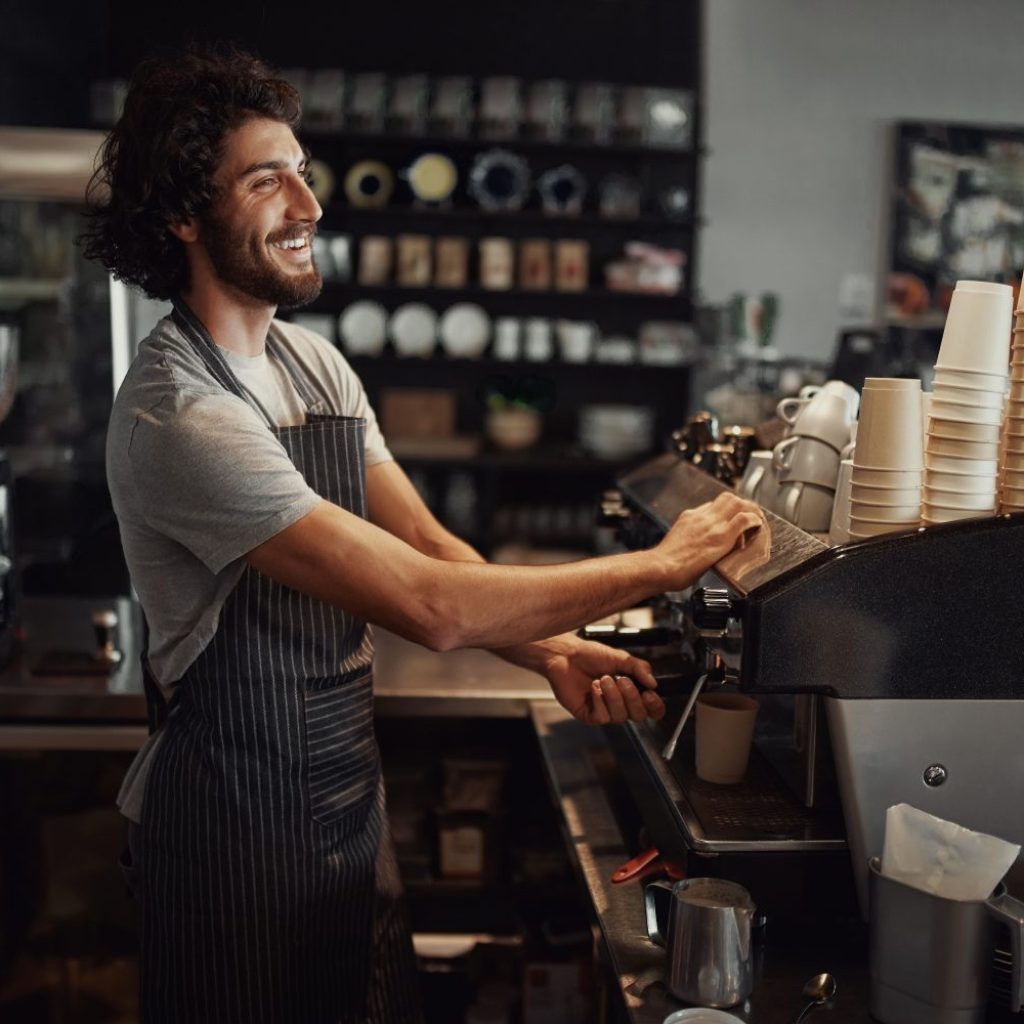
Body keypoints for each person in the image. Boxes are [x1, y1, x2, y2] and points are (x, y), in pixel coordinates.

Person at [84, 43, 764, 1024]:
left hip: (345, 808)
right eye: (267, 179)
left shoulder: (313, 367)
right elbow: (431, 608)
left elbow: (438, 552)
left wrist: (548, 653)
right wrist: (665, 563)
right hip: (229, 829)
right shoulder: (181, 416)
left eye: (304, 174)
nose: (308, 205)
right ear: (184, 215)